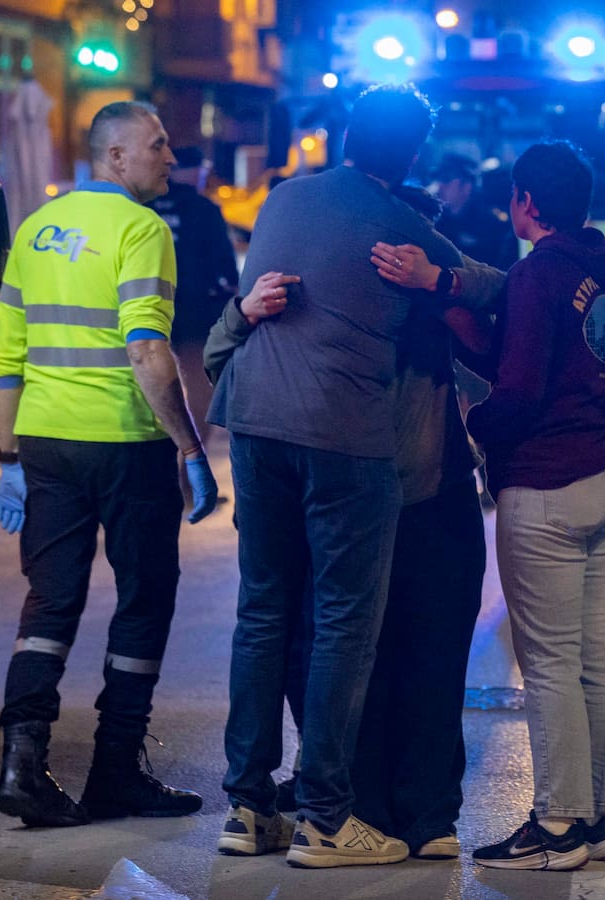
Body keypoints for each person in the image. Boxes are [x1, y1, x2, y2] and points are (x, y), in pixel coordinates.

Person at [203, 182, 505, 861]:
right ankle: (418, 818)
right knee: (411, 656)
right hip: (412, 491)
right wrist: (447, 284)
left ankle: (328, 805)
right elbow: (491, 360)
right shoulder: (418, 298)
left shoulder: (298, 297)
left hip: (367, 488)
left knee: (321, 641)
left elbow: (221, 363)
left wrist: (242, 315)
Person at [0, 100, 217, 828]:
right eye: (158, 145)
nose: (171, 159)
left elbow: (5, 356)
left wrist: (7, 456)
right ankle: (116, 770)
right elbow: (148, 351)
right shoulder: (141, 227)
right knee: (145, 596)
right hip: (124, 442)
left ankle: (21, 764)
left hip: (46, 444)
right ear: (116, 156)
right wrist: (190, 447)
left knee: (50, 600)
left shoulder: (34, 227)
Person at [467, 141, 605, 871]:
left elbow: (519, 392)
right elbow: (549, 360)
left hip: (550, 485)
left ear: (527, 204)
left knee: (548, 663)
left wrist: (473, 430)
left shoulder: (537, 273)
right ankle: (604, 820)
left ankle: (557, 823)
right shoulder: (604, 271)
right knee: (600, 656)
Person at [146, 146, 238, 445]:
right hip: (195, 317)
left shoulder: (143, 207)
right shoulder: (204, 209)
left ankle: (163, 472)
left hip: (146, 312)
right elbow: (226, 269)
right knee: (199, 391)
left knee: (150, 387)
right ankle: (190, 475)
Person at [433, 153, 519, 270]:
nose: (440, 186)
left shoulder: (490, 224)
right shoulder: (435, 220)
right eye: (439, 179)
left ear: (466, 186)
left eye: (447, 179)